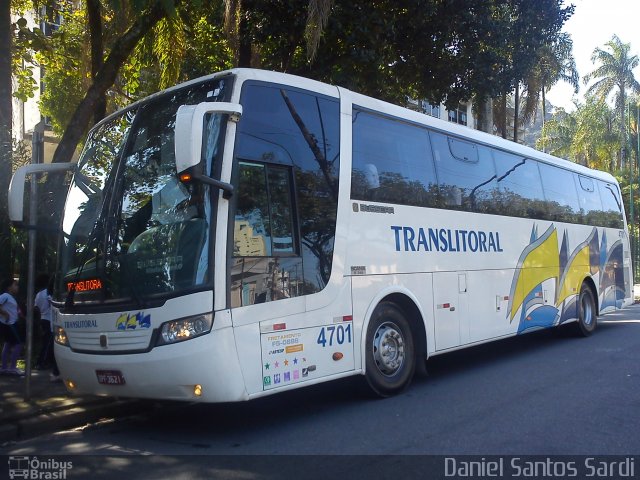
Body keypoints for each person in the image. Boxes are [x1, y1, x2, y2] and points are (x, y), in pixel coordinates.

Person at [0, 278, 24, 376]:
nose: (17, 287)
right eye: (15, 285)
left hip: (11, 324)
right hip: (9, 324)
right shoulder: (5, 296)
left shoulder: (11, 297)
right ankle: (12, 367)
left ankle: (4, 367)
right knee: (19, 343)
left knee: (8, 344)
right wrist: (5, 314)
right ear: (9, 287)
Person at [35, 274, 53, 370]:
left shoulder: (38, 294)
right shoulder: (48, 292)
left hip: (42, 319)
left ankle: (44, 362)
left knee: (46, 342)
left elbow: (36, 307)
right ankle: (41, 362)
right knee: (48, 343)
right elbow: (51, 303)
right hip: (49, 319)